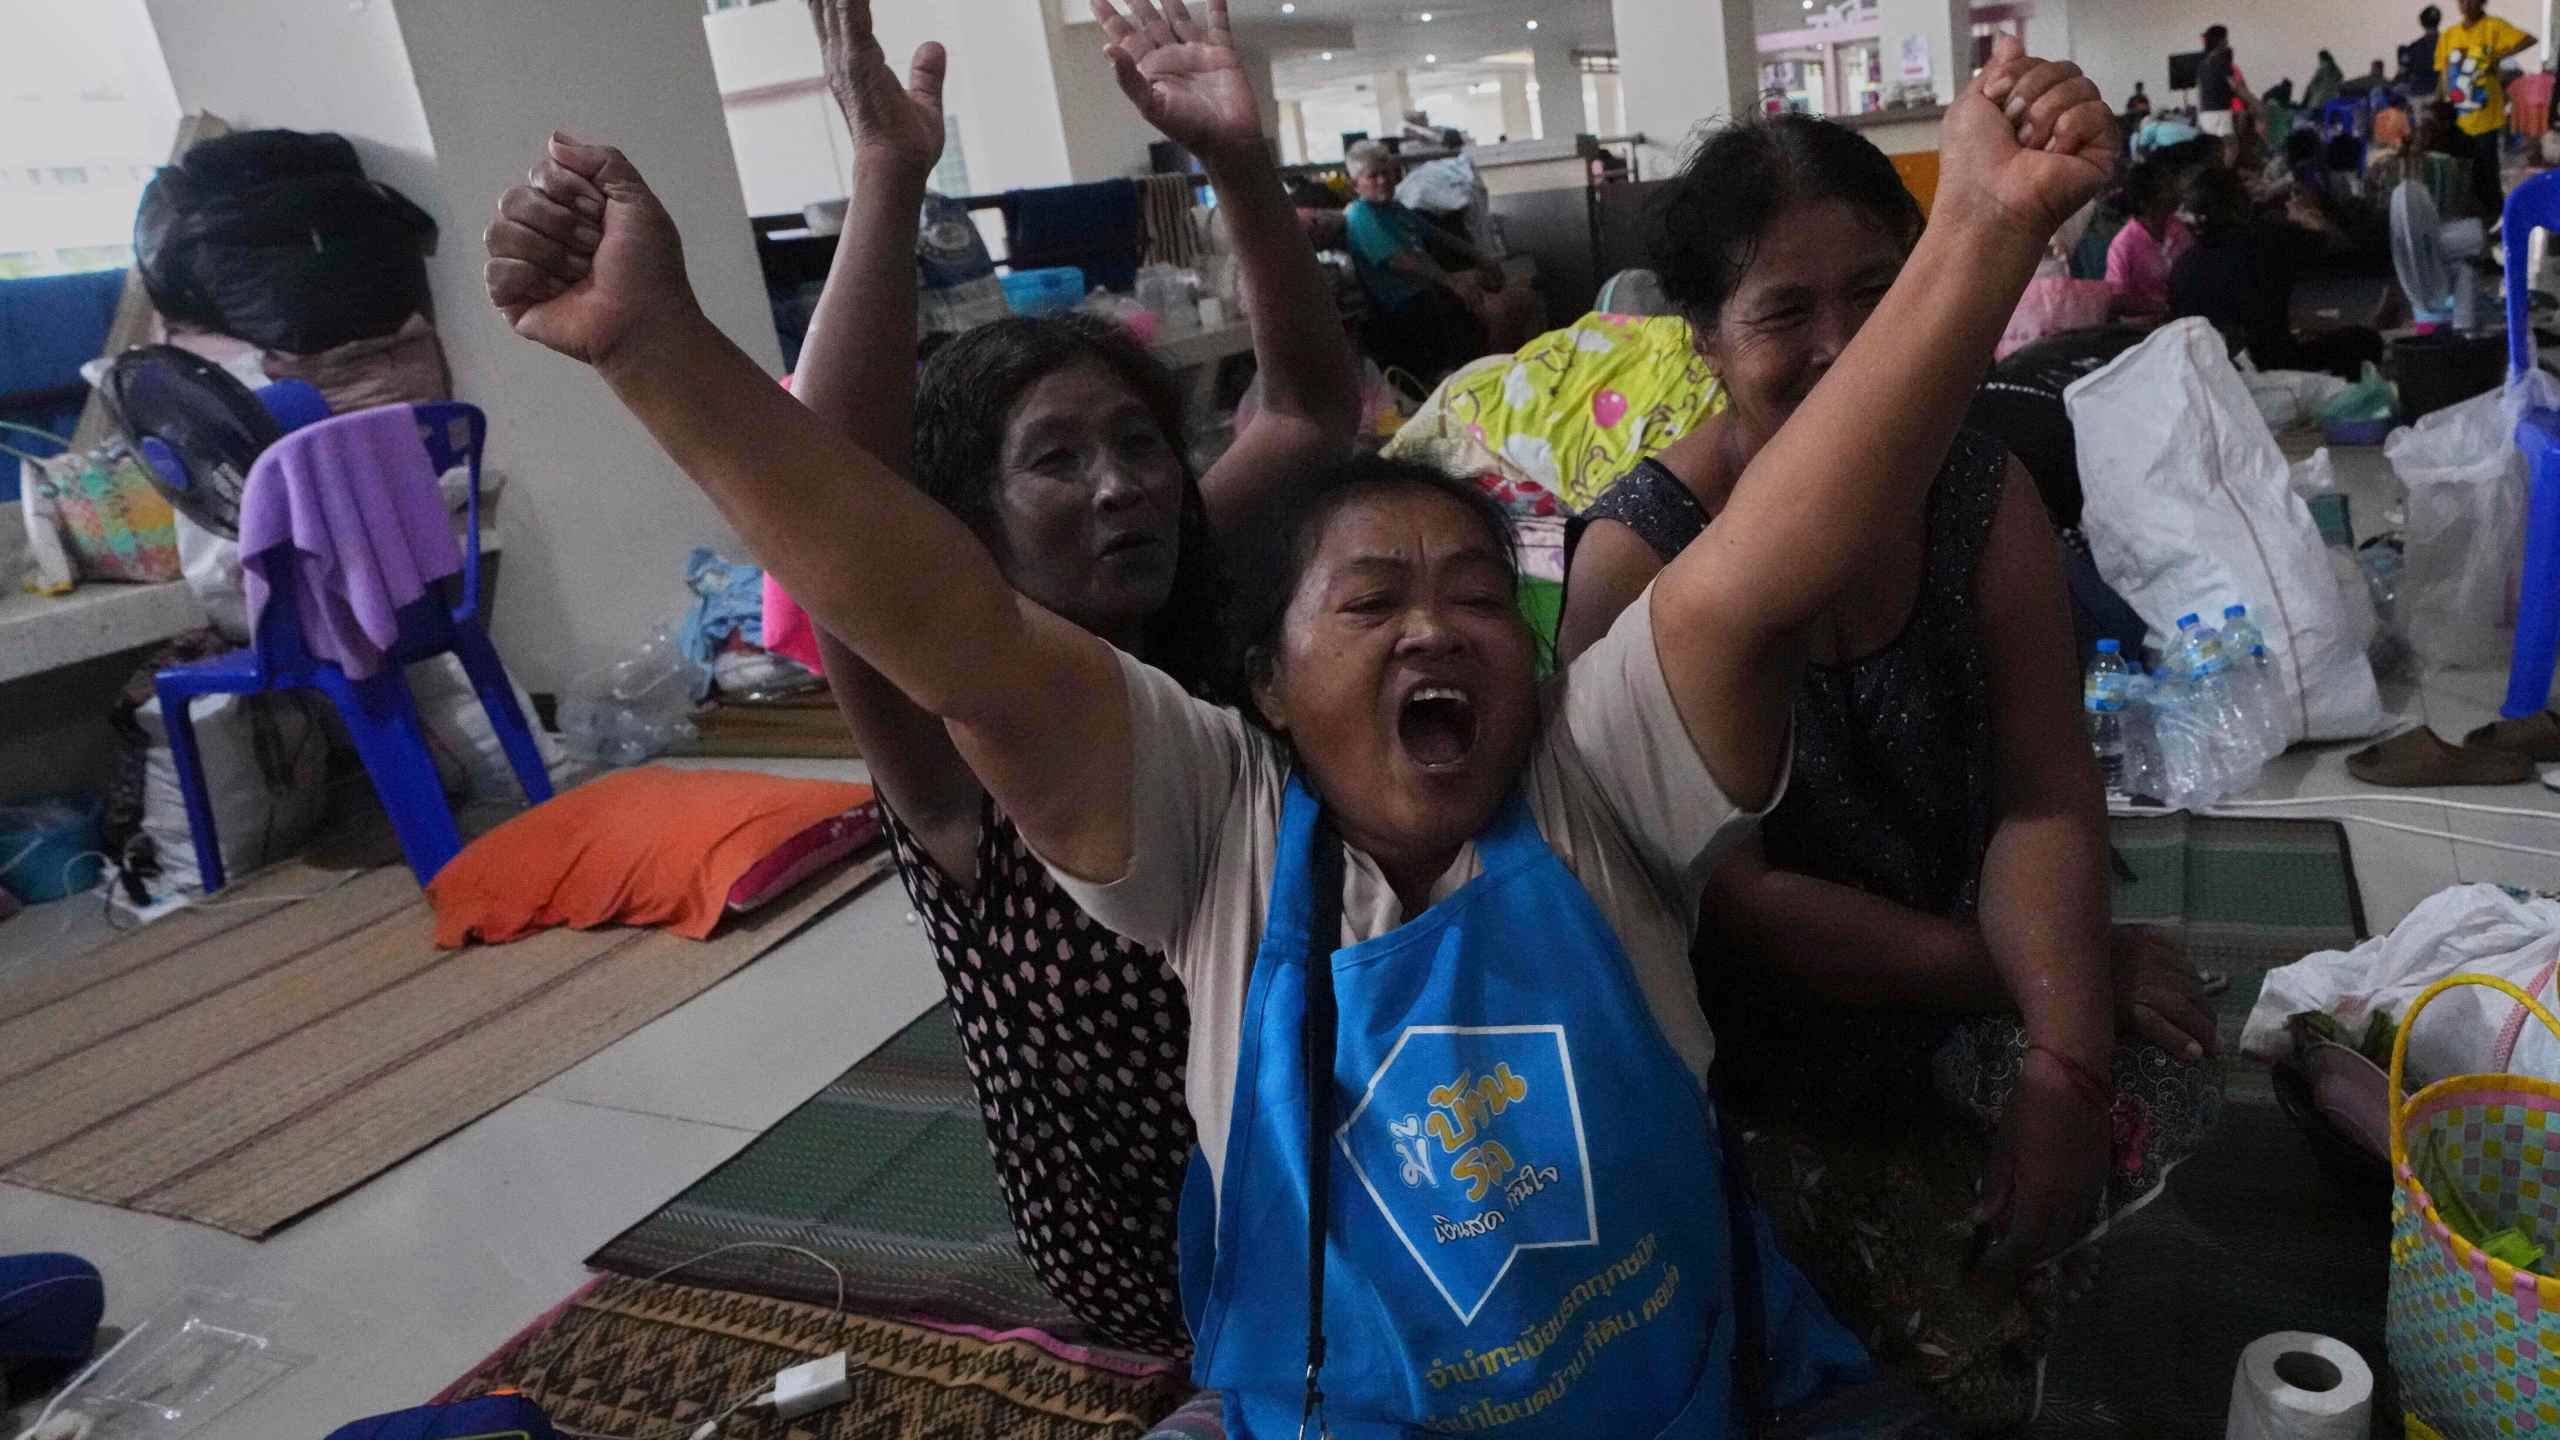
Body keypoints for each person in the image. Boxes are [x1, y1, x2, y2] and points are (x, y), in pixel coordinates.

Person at [483, 32, 2122, 1437]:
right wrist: (654, 351)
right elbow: (944, 627)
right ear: (1260, 683)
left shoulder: (1602, 775)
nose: (1434, 625)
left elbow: (1771, 554)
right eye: (1372, 599)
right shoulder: (1203, 825)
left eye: (1478, 594)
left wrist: (1978, 231)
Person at [652, 0, 1358, 1356]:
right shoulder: (949, 734)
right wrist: (887, 178)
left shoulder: (1179, 583)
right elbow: (832, 487)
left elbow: (1308, 412)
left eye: (1140, 445)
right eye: (1056, 462)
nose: (1123, 488)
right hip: (1158, 1242)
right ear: (964, 517)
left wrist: (1240, 162)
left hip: (1322, 1144)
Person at [1556, 110, 2215, 1430]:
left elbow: (2042, 790)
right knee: (1939, 1350)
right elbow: (1731, 906)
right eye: (1782, 312)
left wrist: (2065, 1056)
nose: (1842, 347)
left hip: (1960, 976)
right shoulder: (1641, 553)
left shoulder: (1977, 494)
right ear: (1700, 339)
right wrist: (2038, 988)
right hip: (1754, 1042)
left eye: (1876, 293)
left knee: (2167, 1051)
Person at [1342, 140, 1537, 378]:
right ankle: (1491, 376)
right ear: (1355, 184)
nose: (1382, 181)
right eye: (1373, 176)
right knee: (1502, 309)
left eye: (1386, 173)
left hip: (1430, 291)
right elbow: (1401, 260)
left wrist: (1481, 256)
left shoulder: (1395, 209)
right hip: (1405, 308)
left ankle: (1510, 370)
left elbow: (1437, 234)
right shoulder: (1361, 214)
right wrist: (1452, 281)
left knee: (1520, 291)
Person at [2171, 165, 2382, 378]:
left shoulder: (2181, 267)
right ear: (2240, 202)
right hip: (2274, 367)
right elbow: (2340, 246)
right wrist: (2307, 216)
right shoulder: (2269, 239)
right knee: (2365, 340)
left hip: (2208, 379)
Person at [2438, 0, 2538, 219]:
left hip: (2486, 118)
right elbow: (2443, 74)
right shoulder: (2449, 35)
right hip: (2458, 118)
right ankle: (2472, 220)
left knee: (2487, 172)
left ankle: (2495, 218)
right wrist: (2440, 105)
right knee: (2464, 175)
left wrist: (2497, 57)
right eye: (2462, 0)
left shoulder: (2493, 27)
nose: (2467, 4)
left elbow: (2529, 39)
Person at [2104, 159, 2193, 320]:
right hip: (2145, 328)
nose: (2176, 192)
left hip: (2181, 318)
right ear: (2145, 202)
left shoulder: (2180, 229)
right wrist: (2162, 308)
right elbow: (2117, 299)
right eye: (2167, 188)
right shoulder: (2124, 245)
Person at [2196, 24, 2261, 152]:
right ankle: (2226, 171)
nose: (2227, 42)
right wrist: (2255, 103)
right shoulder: (2221, 60)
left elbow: (2200, 92)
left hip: (2206, 113)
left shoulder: (2202, 64)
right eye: (2226, 38)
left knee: (2217, 150)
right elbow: (2235, 86)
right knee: (2231, 148)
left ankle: (2223, 170)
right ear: (2221, 41)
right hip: (2220, 113)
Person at [2402, 4, 2447, 92]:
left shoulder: (2413, 47)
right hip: (2443, 90)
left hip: (2419, 91)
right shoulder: (2449, 44)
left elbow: (2403, 72)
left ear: (2422, 23)